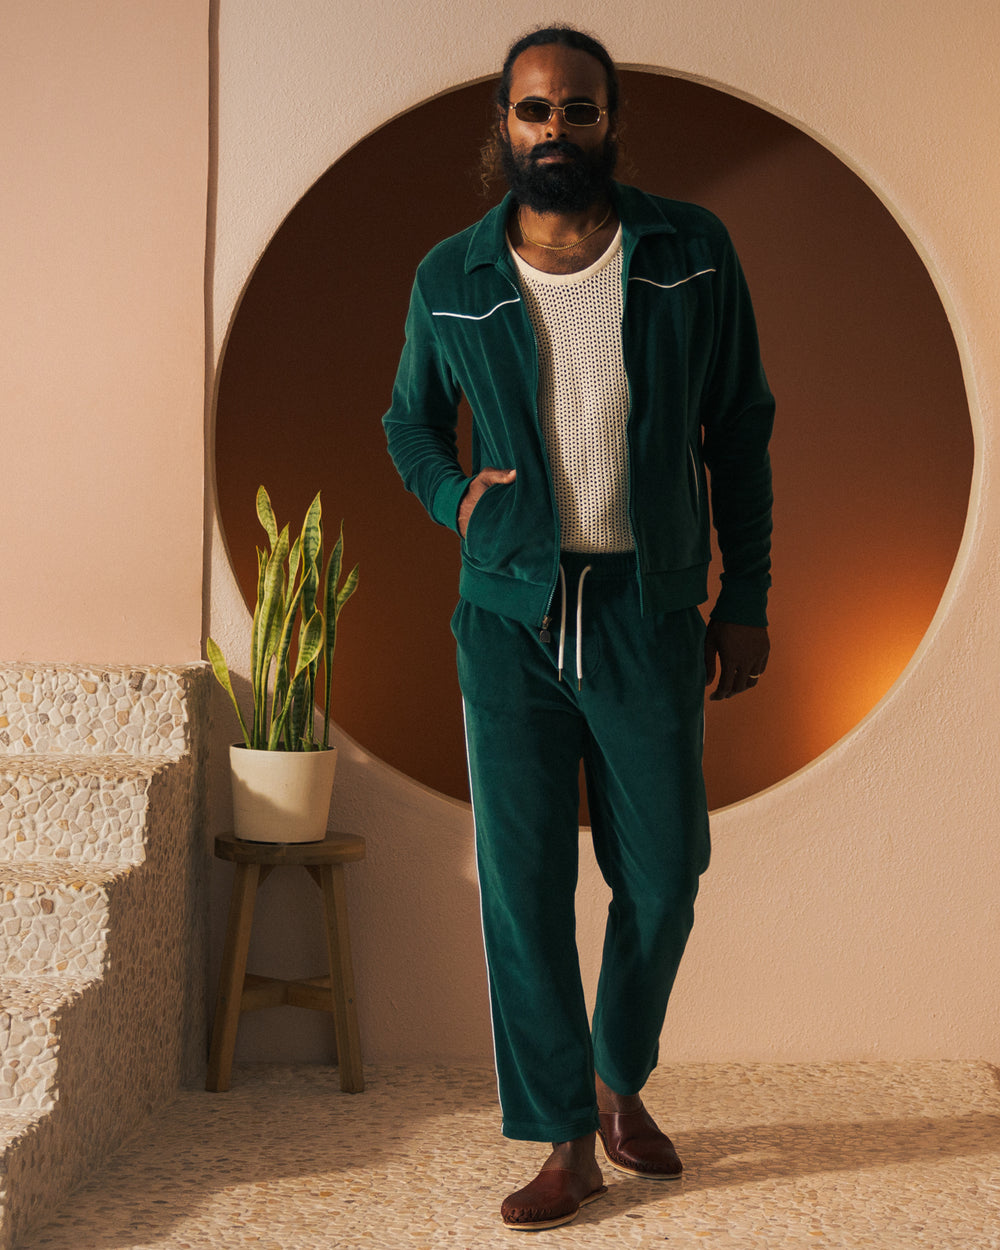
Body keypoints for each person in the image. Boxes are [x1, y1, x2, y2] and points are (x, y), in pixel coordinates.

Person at [383, 26, 773, 1232]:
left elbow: (741, 433)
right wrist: (459, 498)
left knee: (665, 873)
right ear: (503, 126)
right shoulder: (449, 274)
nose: (557, 131)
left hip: (644, 608)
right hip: (506, 617)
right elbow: (407, 425)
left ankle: (617, 1072)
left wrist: (744, 599)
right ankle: (564, 1137)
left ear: (612, 123)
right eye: (535, 111)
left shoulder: (690, 252)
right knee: (524, 884)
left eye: (580, 111)